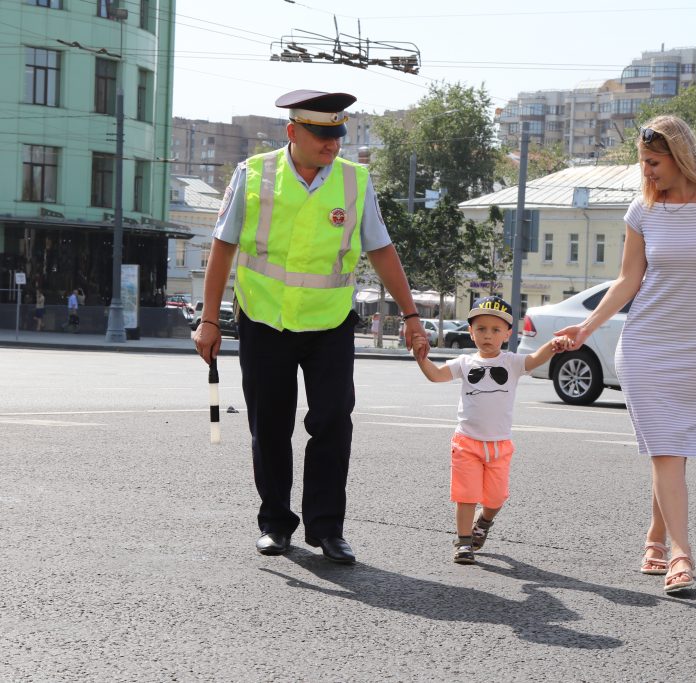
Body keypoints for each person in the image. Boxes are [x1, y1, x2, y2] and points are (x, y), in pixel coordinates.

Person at [192, 89, 427, 564]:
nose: (332, 144)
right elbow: (223, 245)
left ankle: (327, 529)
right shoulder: (253, 174)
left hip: (329, 323)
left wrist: (411, 314)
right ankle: (275, 524)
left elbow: (381, 248)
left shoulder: (355, 180)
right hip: (264, 320)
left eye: (337, 134)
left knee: (333, 424)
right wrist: (209, 319)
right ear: (293, 132)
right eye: (321, 135)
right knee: (270, 427)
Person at [555, 116, 696, 595]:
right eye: (643, 163)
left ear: (679, 157)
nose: (647, 172)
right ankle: (681, 553)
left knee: (673, 451)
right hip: (645, 344)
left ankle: (655, 537)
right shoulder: (642, 210)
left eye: (653, 163)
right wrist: (587, 326)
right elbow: (628, 280)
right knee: (664, 448)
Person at [410, 296, 568, 564]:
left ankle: (482, 523)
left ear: (507, 334)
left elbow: (533, 360)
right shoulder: (463, 362)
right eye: (481, 329)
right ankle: (463, 542)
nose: (488, 335)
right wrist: (420, 358)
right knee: (466, 495)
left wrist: (552, 346)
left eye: (496, 330)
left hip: (499, 446)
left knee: (495, 499)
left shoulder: (512, 362)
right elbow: (436, 375)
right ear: (471, 333)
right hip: (466, 443)